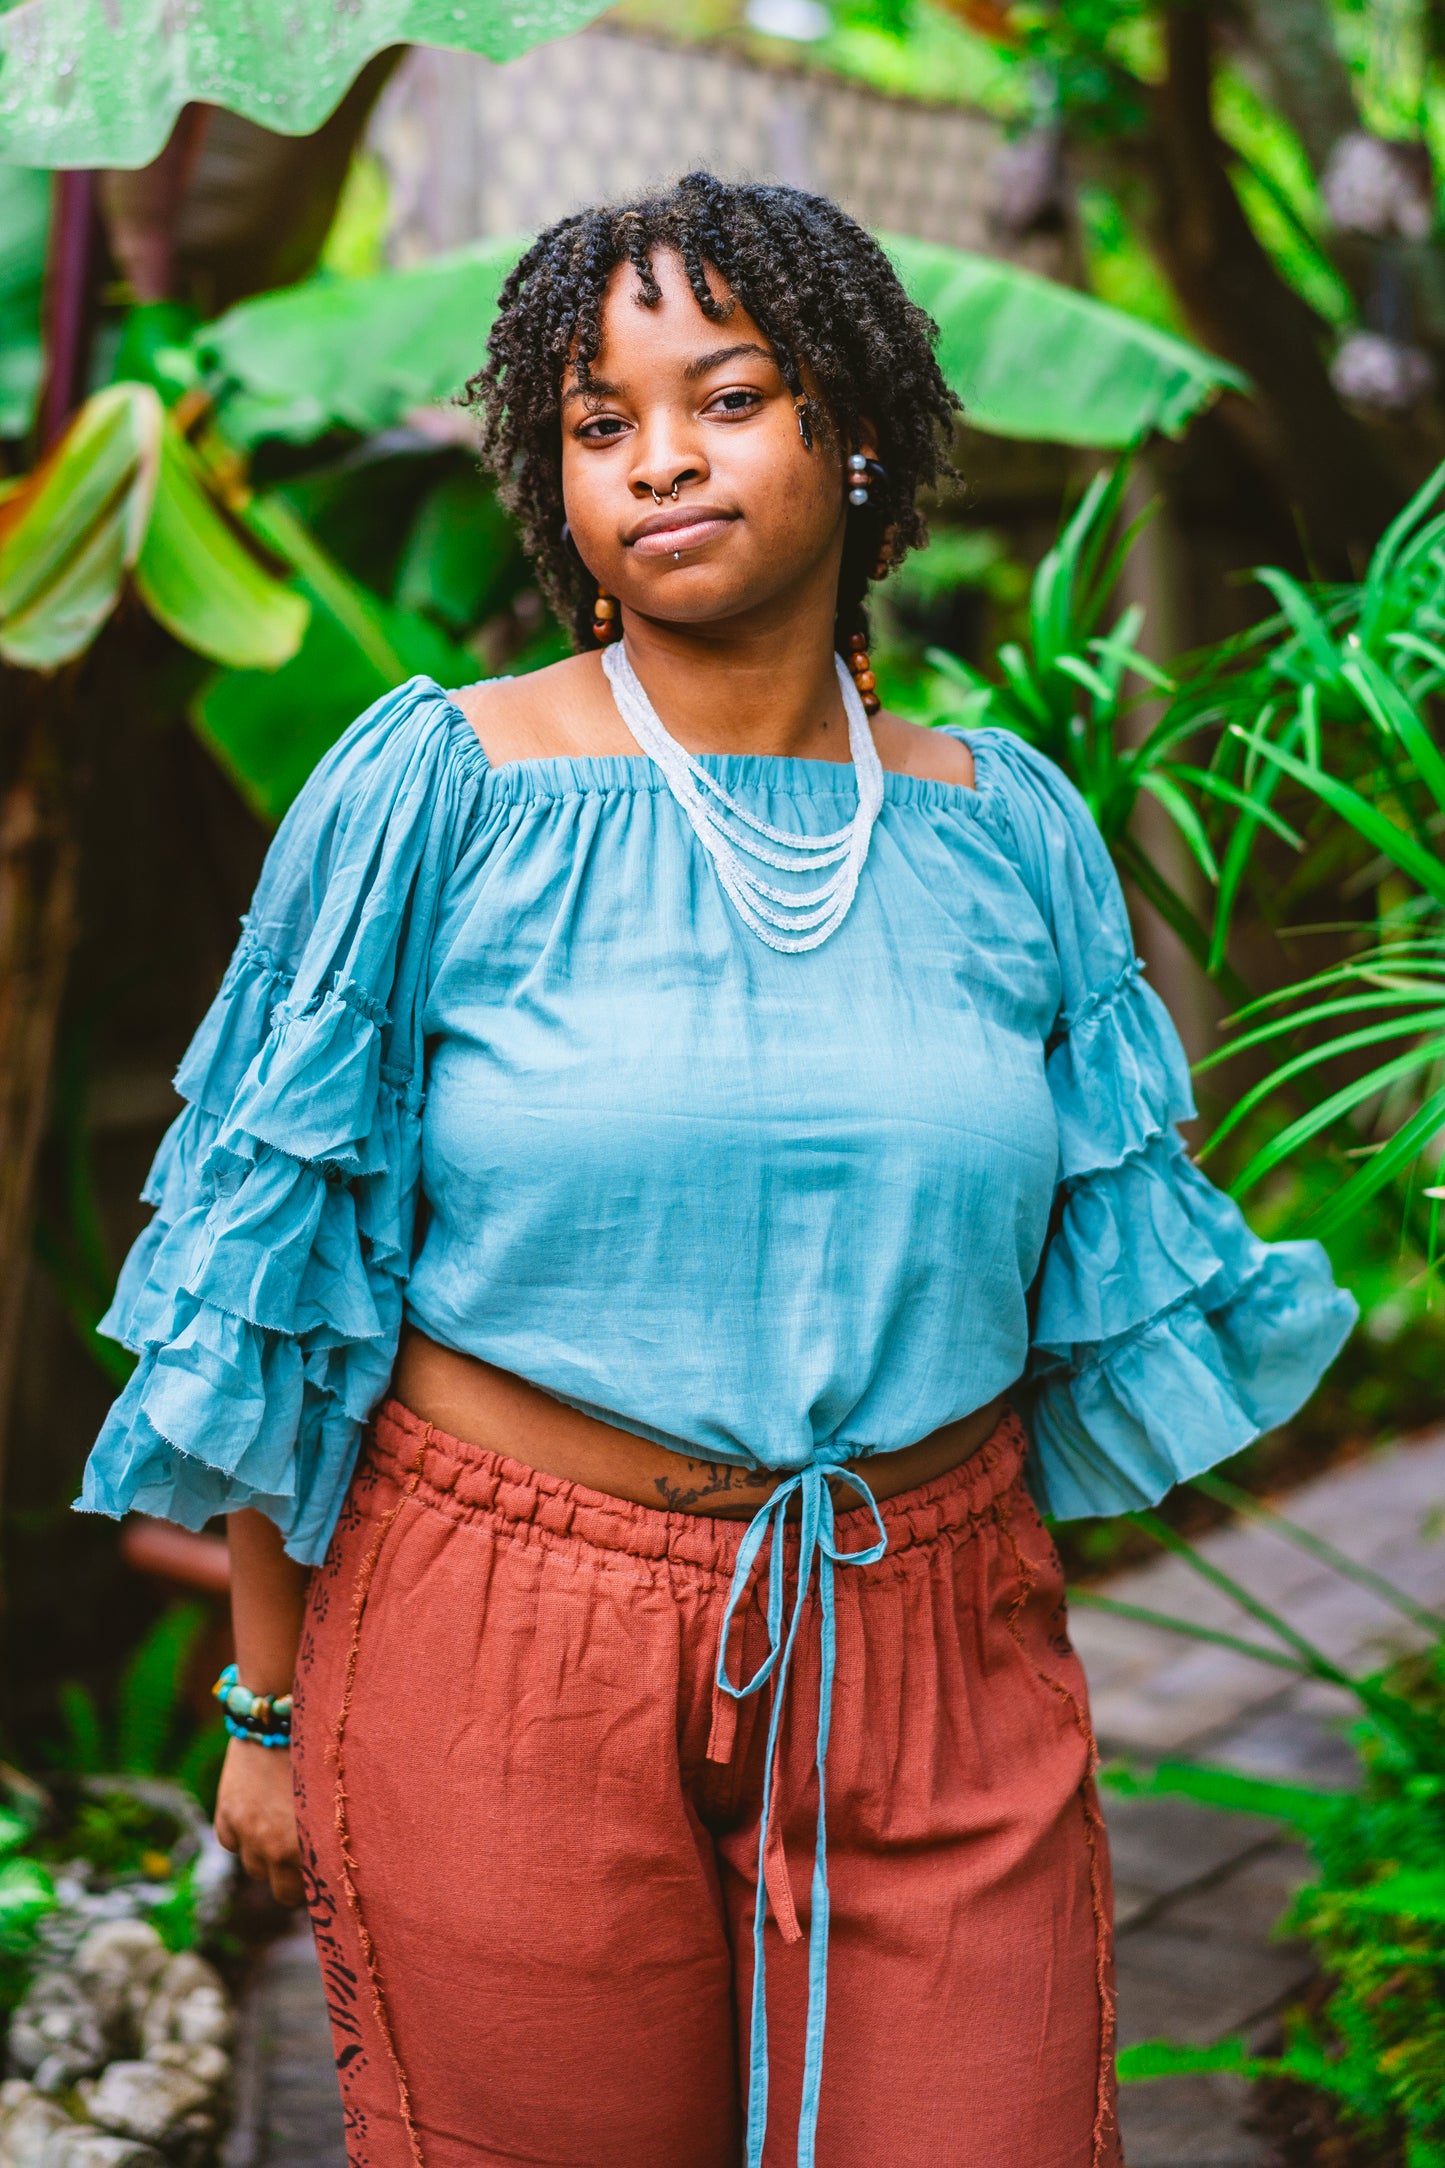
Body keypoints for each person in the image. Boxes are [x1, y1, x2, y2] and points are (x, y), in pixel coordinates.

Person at [79, 173, 1355, 2168]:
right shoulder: (442, 790)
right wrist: (263, 1704)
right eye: (600, 424)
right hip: (505, 1638)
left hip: (921, 1627)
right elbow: (269, 1257)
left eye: (727, 397)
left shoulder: (1006, 827)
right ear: (555, 479)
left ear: (855, 431)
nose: (657, 461)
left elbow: (1087, 1272)